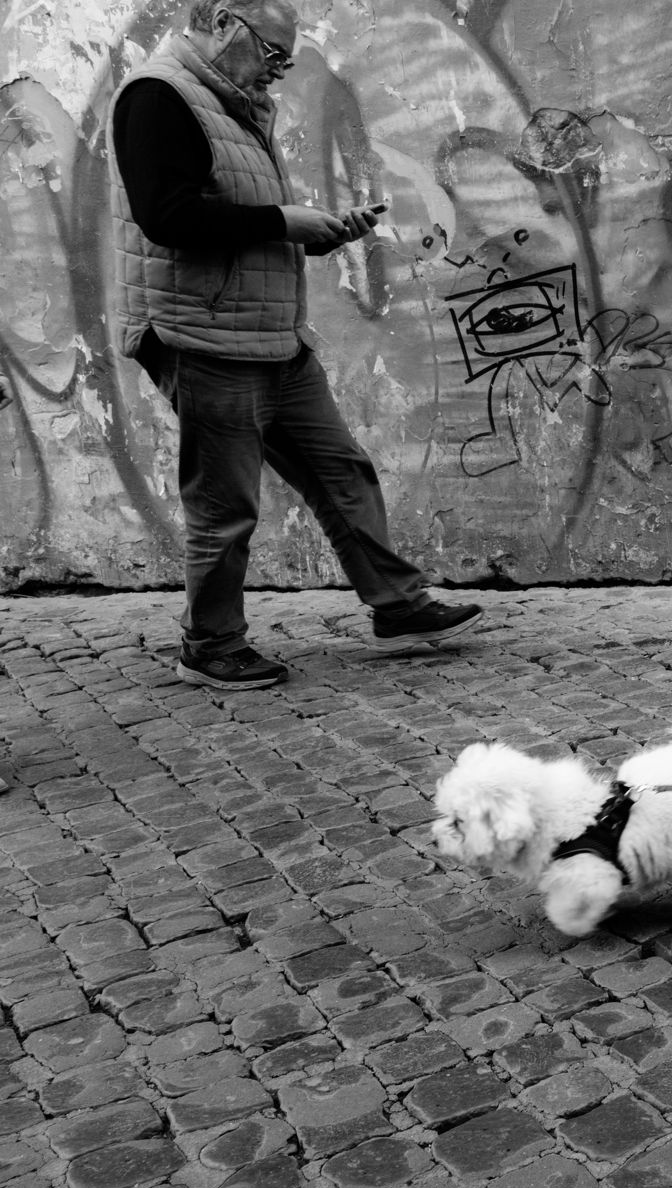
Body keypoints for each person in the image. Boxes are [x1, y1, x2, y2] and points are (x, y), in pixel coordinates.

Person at [109, 0, 482, 691]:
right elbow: (168, 216)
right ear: (223, 22)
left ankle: (399, 606)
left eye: (286, 60)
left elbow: (235, 217)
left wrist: (322, 230)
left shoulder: (232, 101)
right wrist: (286, 221)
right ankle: (210, 644)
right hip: (205, 334)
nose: (278, 73)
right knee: (225, 508)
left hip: (270, 331)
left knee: (341, 469)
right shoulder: (159, 95)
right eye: (272, 54)